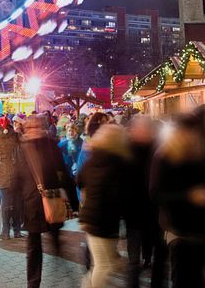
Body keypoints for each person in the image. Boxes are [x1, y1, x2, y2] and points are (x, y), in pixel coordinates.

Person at [150, 113, 205, 288]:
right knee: (182, 279)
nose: (193, 136)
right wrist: (189, 196)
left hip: (202, 230)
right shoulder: (165, 156)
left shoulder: (203, 155)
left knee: (198, 278)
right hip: (178, 229)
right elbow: (156, 194)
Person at [18, 114, 78, 288]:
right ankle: (34, 282)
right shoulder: (35, 146)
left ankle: (58, 272)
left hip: (50, 200)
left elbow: (64, 174)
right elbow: (17, 177)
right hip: (34, 203)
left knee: (50, 240)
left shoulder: (48, 146)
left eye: (36, 127)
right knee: (34, 245)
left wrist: (73, 203)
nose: (34, 130)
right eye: (31, 127)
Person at [77, 123, 131, 288]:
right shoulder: (117, 164)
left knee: (102, 263)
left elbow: (79, 182)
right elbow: (120, 193)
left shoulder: (92, 159)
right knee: (104, 265)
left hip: (91, 218)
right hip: (103, 220)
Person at [125, 116, 165, 288]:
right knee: (133, 260)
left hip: (154, 210)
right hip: (134, 211)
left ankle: (155, 280)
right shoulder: (126, 151)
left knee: (159, 255)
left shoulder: (160, 150)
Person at [0, 116, 22, 240]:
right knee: (16, 201)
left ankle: (5, 231)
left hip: (3, 170)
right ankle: (17, 231)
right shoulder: (16, 136)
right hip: (17, 170)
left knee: (6, 202)